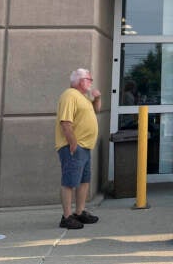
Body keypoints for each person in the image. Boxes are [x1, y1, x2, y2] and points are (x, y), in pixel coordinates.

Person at [55, 68, 102, 230]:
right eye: (89, 79)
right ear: (80, 81)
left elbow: (96, 110)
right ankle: (67, 216)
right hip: (74, 146)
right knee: (70, 181)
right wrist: (73, 143)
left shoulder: (83, 97)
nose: (91, 82)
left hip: (85, 146)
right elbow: (65, 122)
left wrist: (97, 98)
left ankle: (79, 212)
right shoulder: (69, 95)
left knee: (84, 180)